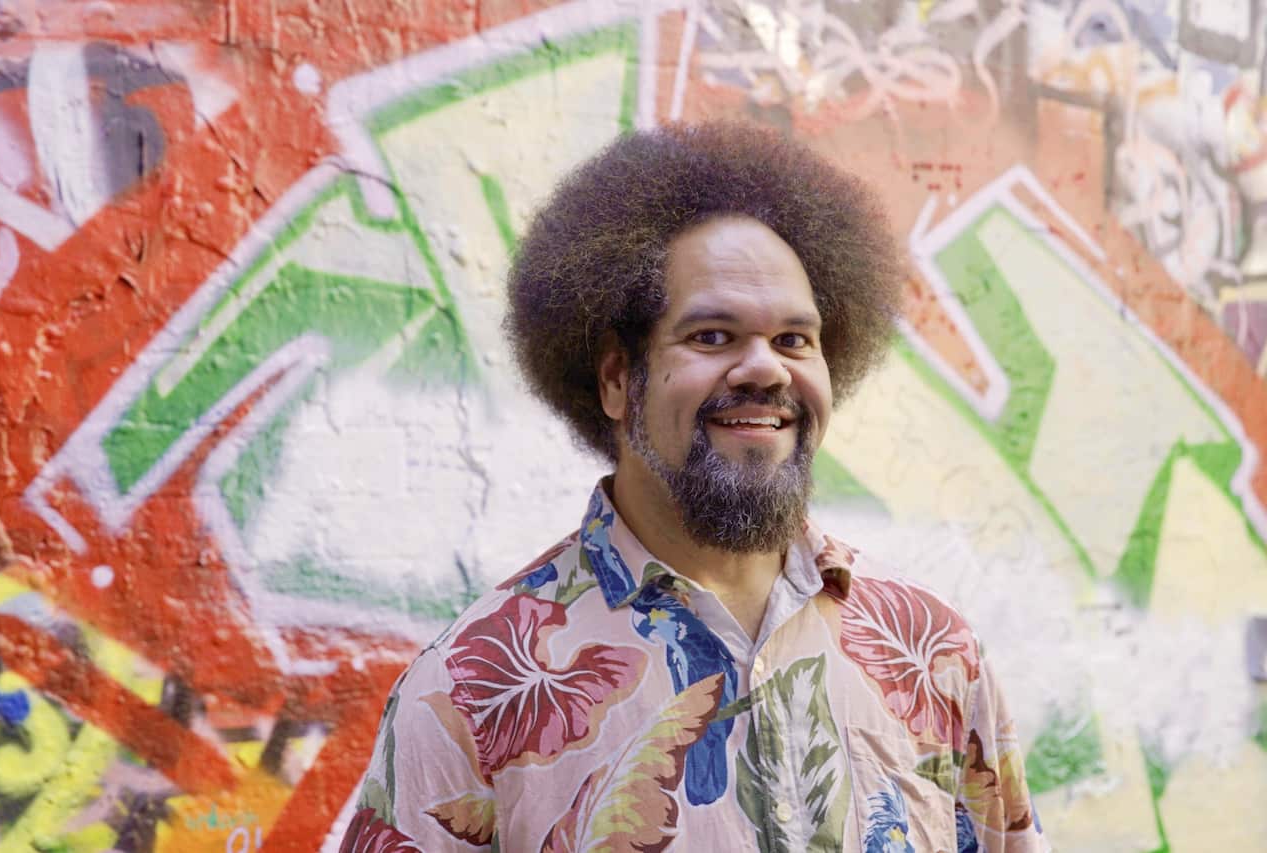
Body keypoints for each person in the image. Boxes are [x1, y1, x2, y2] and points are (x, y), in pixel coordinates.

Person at [339, 122, 1045, 852]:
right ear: (618, 379)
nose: (766, 368)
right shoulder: (467, 694)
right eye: (712, 336)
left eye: (794, 339)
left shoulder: (935, 652)